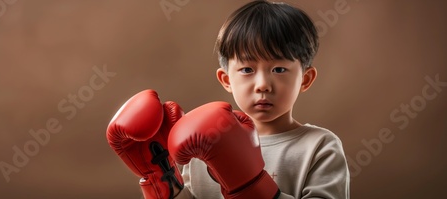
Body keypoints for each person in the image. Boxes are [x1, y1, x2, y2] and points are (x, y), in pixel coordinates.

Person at [106, 1, 349, 199]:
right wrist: (163, 180)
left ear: (305, 79)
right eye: (246, 70)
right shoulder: (203, 143)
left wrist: (250, 184)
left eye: (279, 69)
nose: (263, 84)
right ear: (226, 79)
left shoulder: (320, 147)